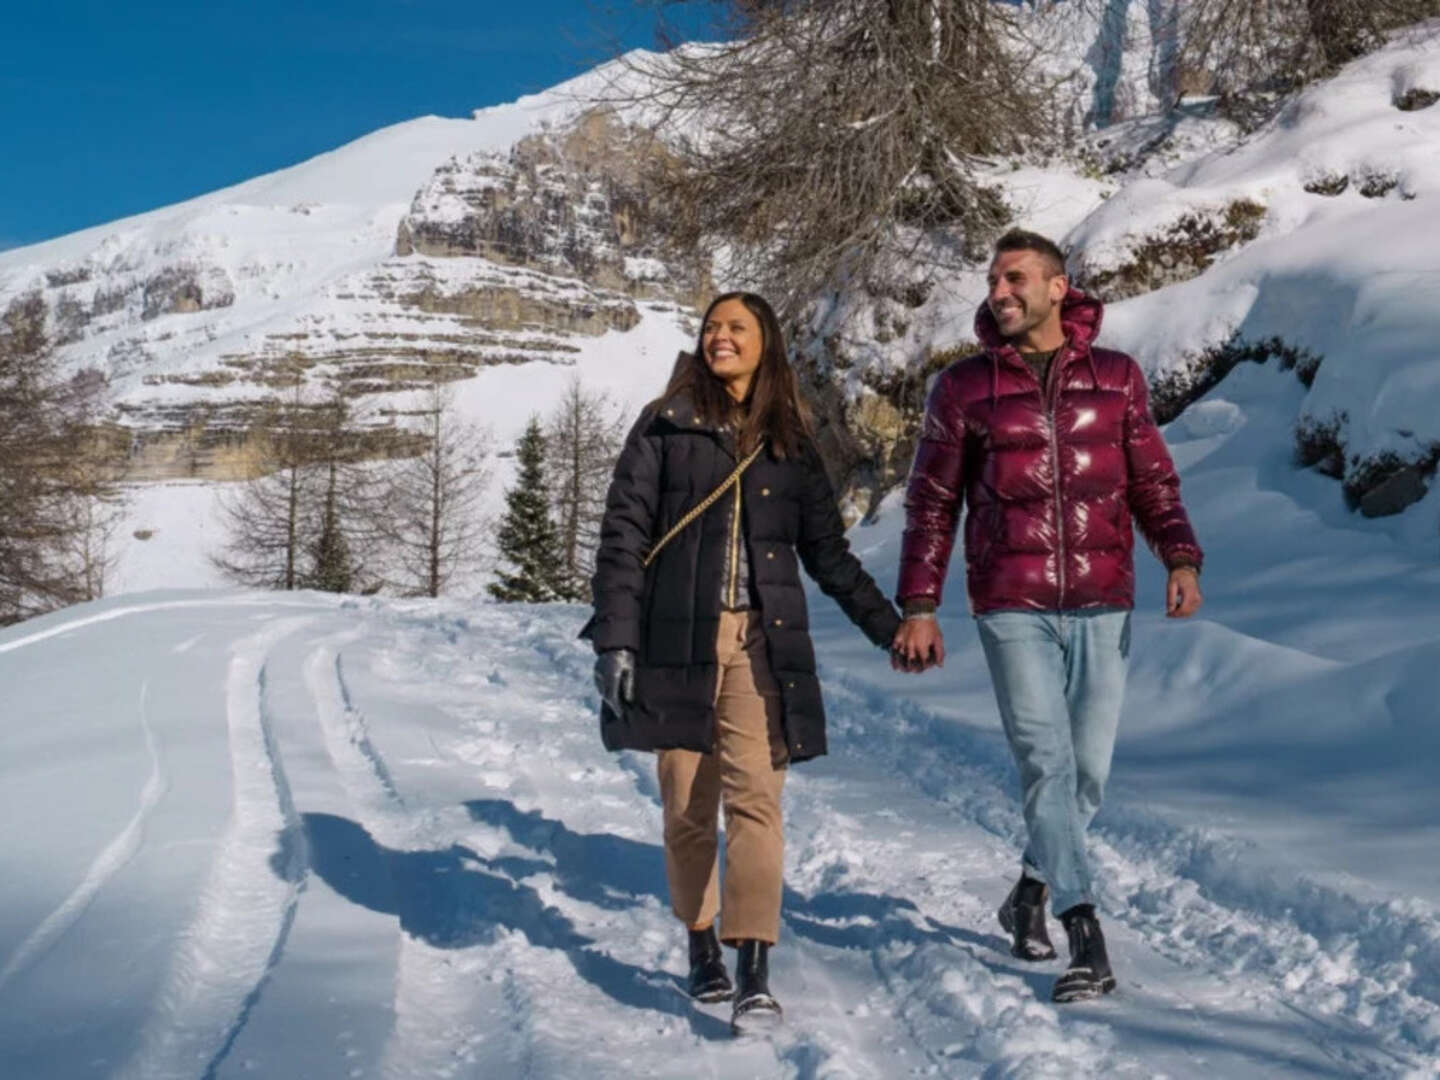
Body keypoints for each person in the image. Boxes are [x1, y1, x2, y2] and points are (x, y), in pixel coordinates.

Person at [892, 229, 1204, 1003]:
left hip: (1104, 596)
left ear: (1059, 289)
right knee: (1046, 762)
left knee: (1087, 775)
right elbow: (932, 504)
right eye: (993, 280)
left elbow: (1152, 481)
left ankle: (1028, 889)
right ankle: (1083, 930)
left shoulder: (1116, 377)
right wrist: (920, 604)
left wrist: (1180, 557)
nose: (999, 291)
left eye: (1015, 278)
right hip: (1010, 601)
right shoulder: (962, 388)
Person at [583, 292, 902, 1033]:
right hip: (674, 641)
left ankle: (753, 964)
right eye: (712, 327)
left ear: (767, 344)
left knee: (757, 799)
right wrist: (616, 641)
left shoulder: (790, 441)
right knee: (687, 806)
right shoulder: (664, 424)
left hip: (762, 643)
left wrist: (891, 628)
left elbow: (828, 556)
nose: (719, 336)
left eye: (737, 327)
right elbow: (623, 537)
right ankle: (701, 947)